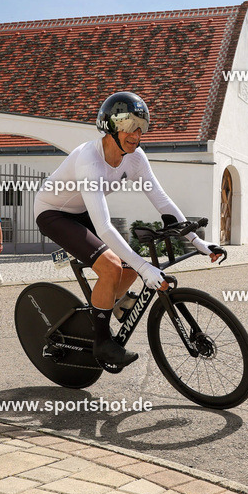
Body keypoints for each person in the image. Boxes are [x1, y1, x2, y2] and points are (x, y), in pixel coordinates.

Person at [34, 91, 223, 368]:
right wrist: (148, 269)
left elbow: (162, 200)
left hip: (81, 212)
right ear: (111, 127)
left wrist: (197, 242)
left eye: (141, 128)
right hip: (52, 213)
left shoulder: (135, 158)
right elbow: (105, 226)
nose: (136, 135)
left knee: (132, 263)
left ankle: (118, 303)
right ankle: (102, 343)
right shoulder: (89, 159)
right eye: (130, 128)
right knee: (112, 266)